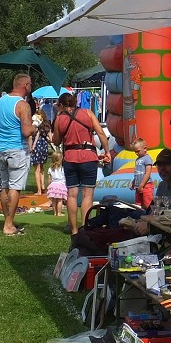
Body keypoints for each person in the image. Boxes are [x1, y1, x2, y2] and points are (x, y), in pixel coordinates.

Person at [51, 91, 111, 237]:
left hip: (70, 158)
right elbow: (101, 133)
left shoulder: (60, 119)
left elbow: (56, 141)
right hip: (88, 156)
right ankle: (85, 227)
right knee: (87, 195)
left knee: (71, 195)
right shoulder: (88, 113)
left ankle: (74, 229)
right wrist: (107, 151)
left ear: (61, 105)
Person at [0, 74, 34, 236]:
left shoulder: (0, 102)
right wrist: (35, 127)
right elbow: (26, 131)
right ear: (26, 85)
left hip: (1, 147)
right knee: (15, 187)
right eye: (30, 85)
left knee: (5, 186)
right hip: (17, 149)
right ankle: (9, 225)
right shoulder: (23, 105)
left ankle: (7, 221)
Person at [29, 110, 51, 195]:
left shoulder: (37, 125)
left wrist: (32, 147)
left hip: (37, 146)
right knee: (42, 168)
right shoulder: (47, 125)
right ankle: (43, 187)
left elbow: (35, 136)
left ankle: (39, 190)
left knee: (36, 169)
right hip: (44, 147)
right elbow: (51, 138)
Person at [130, 138, 155, 210]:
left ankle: (149, 216)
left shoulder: (147, 158)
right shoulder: (137, 159)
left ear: (145, 148)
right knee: (138, 204)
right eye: (135, 152)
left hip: (146, 185)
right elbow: (137, 173)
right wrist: (134, 182)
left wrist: (142, 185)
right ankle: (139, 216)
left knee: (147, 203)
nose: (136, 153)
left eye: (138, 151)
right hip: (138, 186)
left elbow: (147, 173)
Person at [46, 146, 67, 218]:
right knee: (60, 200)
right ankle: (59, 213)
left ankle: (55, 212)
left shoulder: (50, 169)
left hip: (53, 185)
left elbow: (49, 179)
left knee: (54, 200)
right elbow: (65, 177)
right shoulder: (62, 168)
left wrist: (48, 187)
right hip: (60, 185)